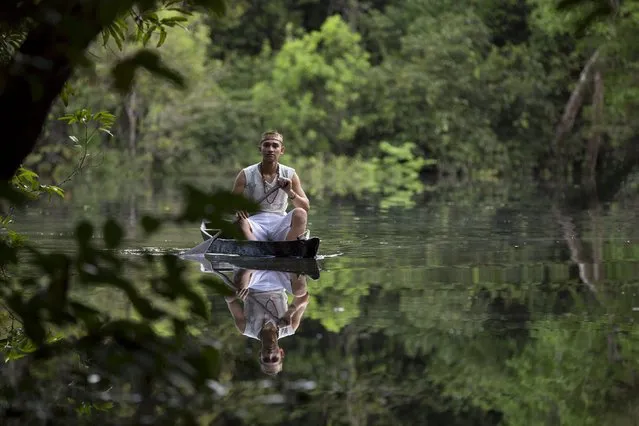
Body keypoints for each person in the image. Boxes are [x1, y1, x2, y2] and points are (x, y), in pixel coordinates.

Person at [224, 268, 310, 376]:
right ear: (281, 353)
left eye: (266, 359)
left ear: (260, 354)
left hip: (253, 281)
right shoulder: (290, 328)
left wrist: (237, 294)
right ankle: (291, 265)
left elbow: (229, 300)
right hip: (279, 283)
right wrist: (290, 312)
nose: (270, 355)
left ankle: (254, 264)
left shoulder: (245, 328)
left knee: (240, 283)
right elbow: (305, 297)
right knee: (300, 290)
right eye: (274, 358)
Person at [232, 131, 310, 241]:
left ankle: (288, 249)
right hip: (254, 224)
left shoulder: (290, 174)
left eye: (275, 145)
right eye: (266, 145)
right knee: (239, 221)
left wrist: (289, 191)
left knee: (300, 213)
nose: (270, 149)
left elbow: (305, 207)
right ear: (260, 149)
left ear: (281, 150)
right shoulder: (246, 173)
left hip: (280, 223)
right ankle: (255, 248)